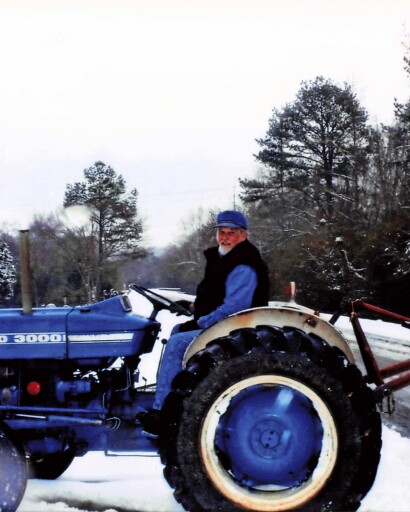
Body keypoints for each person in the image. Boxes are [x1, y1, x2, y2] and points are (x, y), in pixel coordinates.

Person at [137, 210, 270, 434]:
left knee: (179, 343)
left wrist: (202, 322)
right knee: (178, 330)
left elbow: (234, 307)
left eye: (231, 233)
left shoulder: (244, 264)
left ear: (243, 235)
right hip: (225, 325)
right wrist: (191, 308)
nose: (225, 237)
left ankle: (163, 413)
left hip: (236, 329)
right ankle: (178, 392)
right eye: (221, 232)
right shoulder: (224, 259)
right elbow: (216, 297)